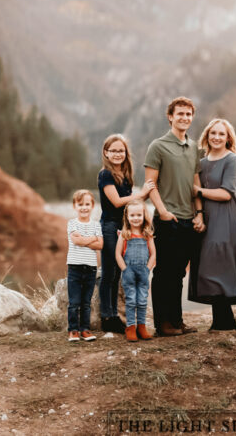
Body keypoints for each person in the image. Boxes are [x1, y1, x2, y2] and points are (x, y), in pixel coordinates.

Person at [144, 96, 203, 336]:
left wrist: (199, 212)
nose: (184, 118)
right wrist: (163, 211)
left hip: (189, 219)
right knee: (163, 272)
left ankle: (177, 321)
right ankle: (163, 324)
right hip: (168, 219)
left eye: (188, 114)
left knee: (179, 272)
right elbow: (150, 183)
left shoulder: (194, 147)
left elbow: (196, 183)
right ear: (170, 117)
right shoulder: (158, 146)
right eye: (180, 114)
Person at [191, 118, 236, 330]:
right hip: (206, 215)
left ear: (228, 138)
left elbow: (226, 193)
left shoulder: (232, 159)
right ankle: (222, 320)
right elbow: (195, 190)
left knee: (220, 260)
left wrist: (198, 191)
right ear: (206, 136)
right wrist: (198, 213)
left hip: (225, 216)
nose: (216, 137)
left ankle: (225, 320)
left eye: (221, 134)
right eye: (213, 133)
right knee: (209, 263)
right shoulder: (202, 161)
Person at [97, 134, 155, 333]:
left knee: (118, 273)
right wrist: (140, 193)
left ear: (125, 153)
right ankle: (107, 317)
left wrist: (146, 193)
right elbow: (116, 202)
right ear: (106, 152)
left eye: (120, 150)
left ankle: (114, 316)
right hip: (110, 226)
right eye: (113, 150)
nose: (117, 154)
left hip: (124, 226)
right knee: (109, 272)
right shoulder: (105, 174)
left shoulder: (126, 174)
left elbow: (130, 202)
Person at [115, 200, 156, 342]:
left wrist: (147, 269)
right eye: (132, 215)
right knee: (131, 300)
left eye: (139, 214)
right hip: (129, 272)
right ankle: (130, 327)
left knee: (142, 300)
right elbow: (118, 254)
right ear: (127, 216)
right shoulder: (124, 234)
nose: (136, 218)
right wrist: (125, 270)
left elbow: (153, 255)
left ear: (144, 215)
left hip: (143, 272)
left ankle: (141, 327)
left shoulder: (147, 234)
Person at [65, 189, 102, 342]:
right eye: (80, 204)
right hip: (74, 267)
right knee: (74, 302)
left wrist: (86, 239)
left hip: (91, 268)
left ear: (92, 206)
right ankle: (73, 330)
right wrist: (92, 239)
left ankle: (85, 330)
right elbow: (76, 241)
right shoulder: (72, 223)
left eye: (87, 204)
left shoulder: (96, 224)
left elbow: (100, 245)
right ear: (75, 206)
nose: (84, 207)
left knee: (86, 302)